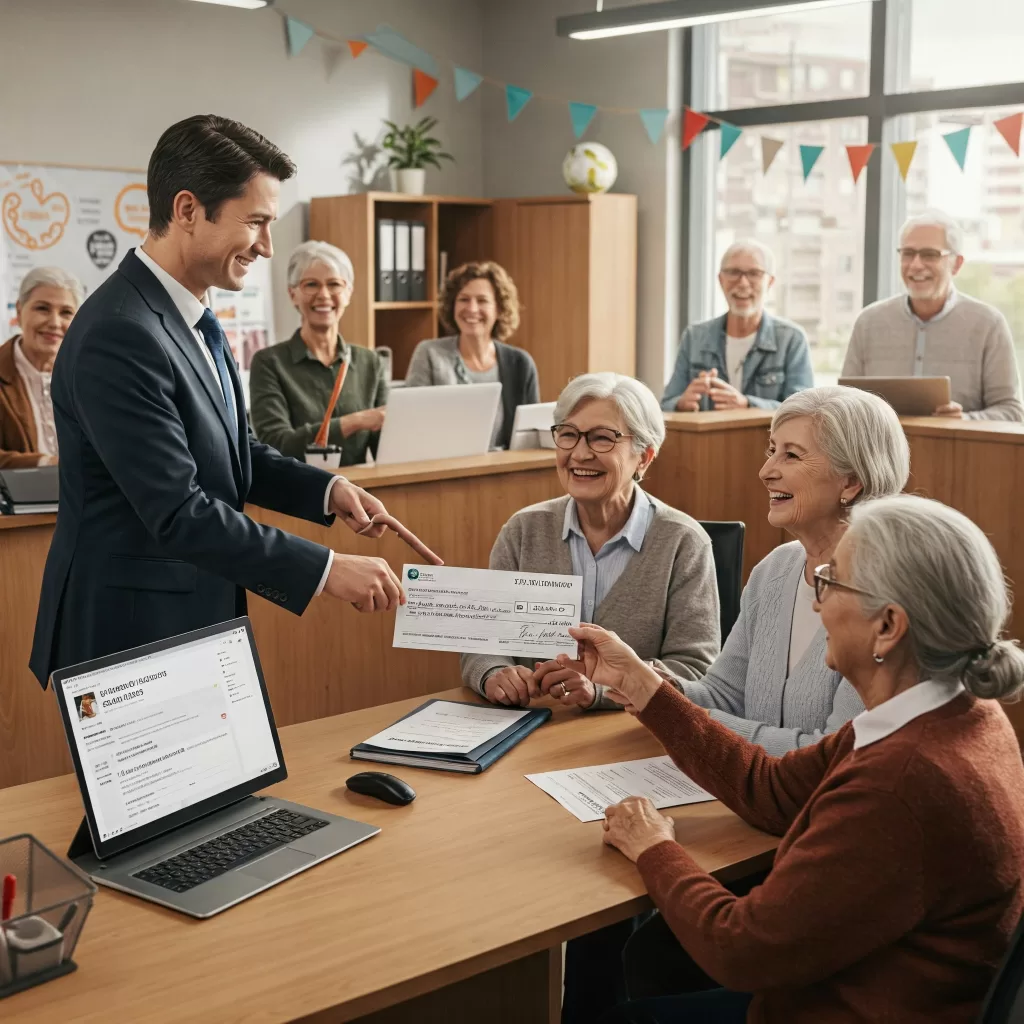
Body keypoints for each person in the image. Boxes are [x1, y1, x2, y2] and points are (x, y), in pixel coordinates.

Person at [569, 494, 1024, 1024]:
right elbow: (774, 790)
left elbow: (739, 948)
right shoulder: (955, 709)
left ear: (888, 626)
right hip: (863, 985)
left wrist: (654, 848)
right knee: (656, 958)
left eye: (831, 584)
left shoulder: (900, 782)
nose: (815, 603)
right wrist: (644, 686)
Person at [30, 115, 418, 689]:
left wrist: (328, 491)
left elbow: (232, 450)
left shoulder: (192, 318)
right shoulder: (120, 332)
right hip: (130, 634)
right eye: (256, 222)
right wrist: (327, 569)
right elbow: (178, 510)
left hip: (191, 613)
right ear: (187, 210)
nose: (265, 246)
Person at [461, 372, 720, 709]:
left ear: (645, 456)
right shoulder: (522, 530)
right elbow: (482, 639)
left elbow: (695, 669)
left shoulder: (683, 542)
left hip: (629, 738)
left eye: (601, 438)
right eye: (568, 435)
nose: (580, 454)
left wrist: (601, 691)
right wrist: (493, 672)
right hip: (529, 727)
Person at [843, 209, 1024, 421]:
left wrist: (965, 419)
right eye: (908, 253)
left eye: (930, 254)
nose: (916, 265)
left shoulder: (988, 324)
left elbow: (1012, 412)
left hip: (958, 451)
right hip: (879, 453)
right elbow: (842, 403)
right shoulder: (868, 322)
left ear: (956, 264)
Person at [250, 240, 387, 464]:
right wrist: (354, 421)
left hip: (360, 492)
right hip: (299, 494)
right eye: (311, 285)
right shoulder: (269, 363)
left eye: (334, 284)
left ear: (348, 293)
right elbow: (276, 444)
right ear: (292, 294)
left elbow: (387, 446)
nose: (323, 295)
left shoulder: (370, 362)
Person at [661, 240, 813, 413]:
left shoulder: (791, 339)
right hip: (708, 440)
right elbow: (665, 405)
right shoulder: (694, 337)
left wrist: (747, 405)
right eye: (733, 272)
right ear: (720, 280)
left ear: (770, 282)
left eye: (754, 273)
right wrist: (681, 403)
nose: (742, 283)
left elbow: (803, 412)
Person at [404, 261, 539, 449]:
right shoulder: (430, 354)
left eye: (482, 300)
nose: (472, 309)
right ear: (452, 305)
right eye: (464, 299)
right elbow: (409, 425)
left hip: (504, 472)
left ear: (499, 309)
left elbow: (531, 439)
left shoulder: (520, 363)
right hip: (441, 469)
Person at [0, 267, 83, 468]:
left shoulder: (91, 377)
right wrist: (46, 463)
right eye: (42, 308)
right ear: (19, 312)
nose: (55, 323)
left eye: (66, 313)